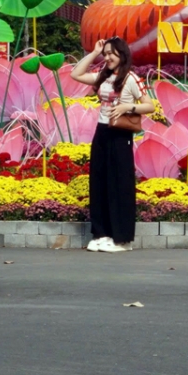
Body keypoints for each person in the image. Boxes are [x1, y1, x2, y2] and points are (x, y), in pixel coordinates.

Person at [70, 37, 154, 253]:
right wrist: (93, 52)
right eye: (105, 53)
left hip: (120, 134)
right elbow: (76, 74)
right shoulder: (104, 76)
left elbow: (149, 106)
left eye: (111, 53)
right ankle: (101, 233)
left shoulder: (132, 78)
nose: (107, 57)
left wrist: (128, 106)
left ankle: (122, 238)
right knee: (99, 182)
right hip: (102, 132)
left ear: (122, 55)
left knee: (119, 184)